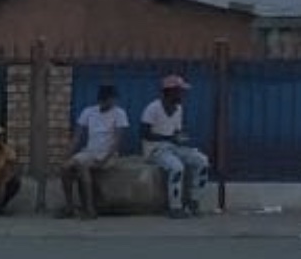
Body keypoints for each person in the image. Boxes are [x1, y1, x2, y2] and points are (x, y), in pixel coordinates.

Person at [140, 74, 210, 219]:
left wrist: (180, 138)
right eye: (180, 91)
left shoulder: (178, 109)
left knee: (202, 161)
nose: (183, 95)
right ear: (170, 92)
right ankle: (175, 207)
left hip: (172, 147)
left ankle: (193, 201)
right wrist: (169, 138)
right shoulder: (153, 108)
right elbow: (144, 134)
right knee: (176, 167)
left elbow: (176, 131)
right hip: (155, 149)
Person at [60, 84, 128, 219]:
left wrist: (106, 159)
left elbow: (118, 141)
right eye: (111, 99)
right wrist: (67, 155)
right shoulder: (89, 112)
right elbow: (77, 137)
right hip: (90, 152)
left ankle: (90, 209)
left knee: (83, 166)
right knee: (65, 168)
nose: (113, 102)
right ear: (104, 99)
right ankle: (69, 207)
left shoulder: (119, 113)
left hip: (108, 154)